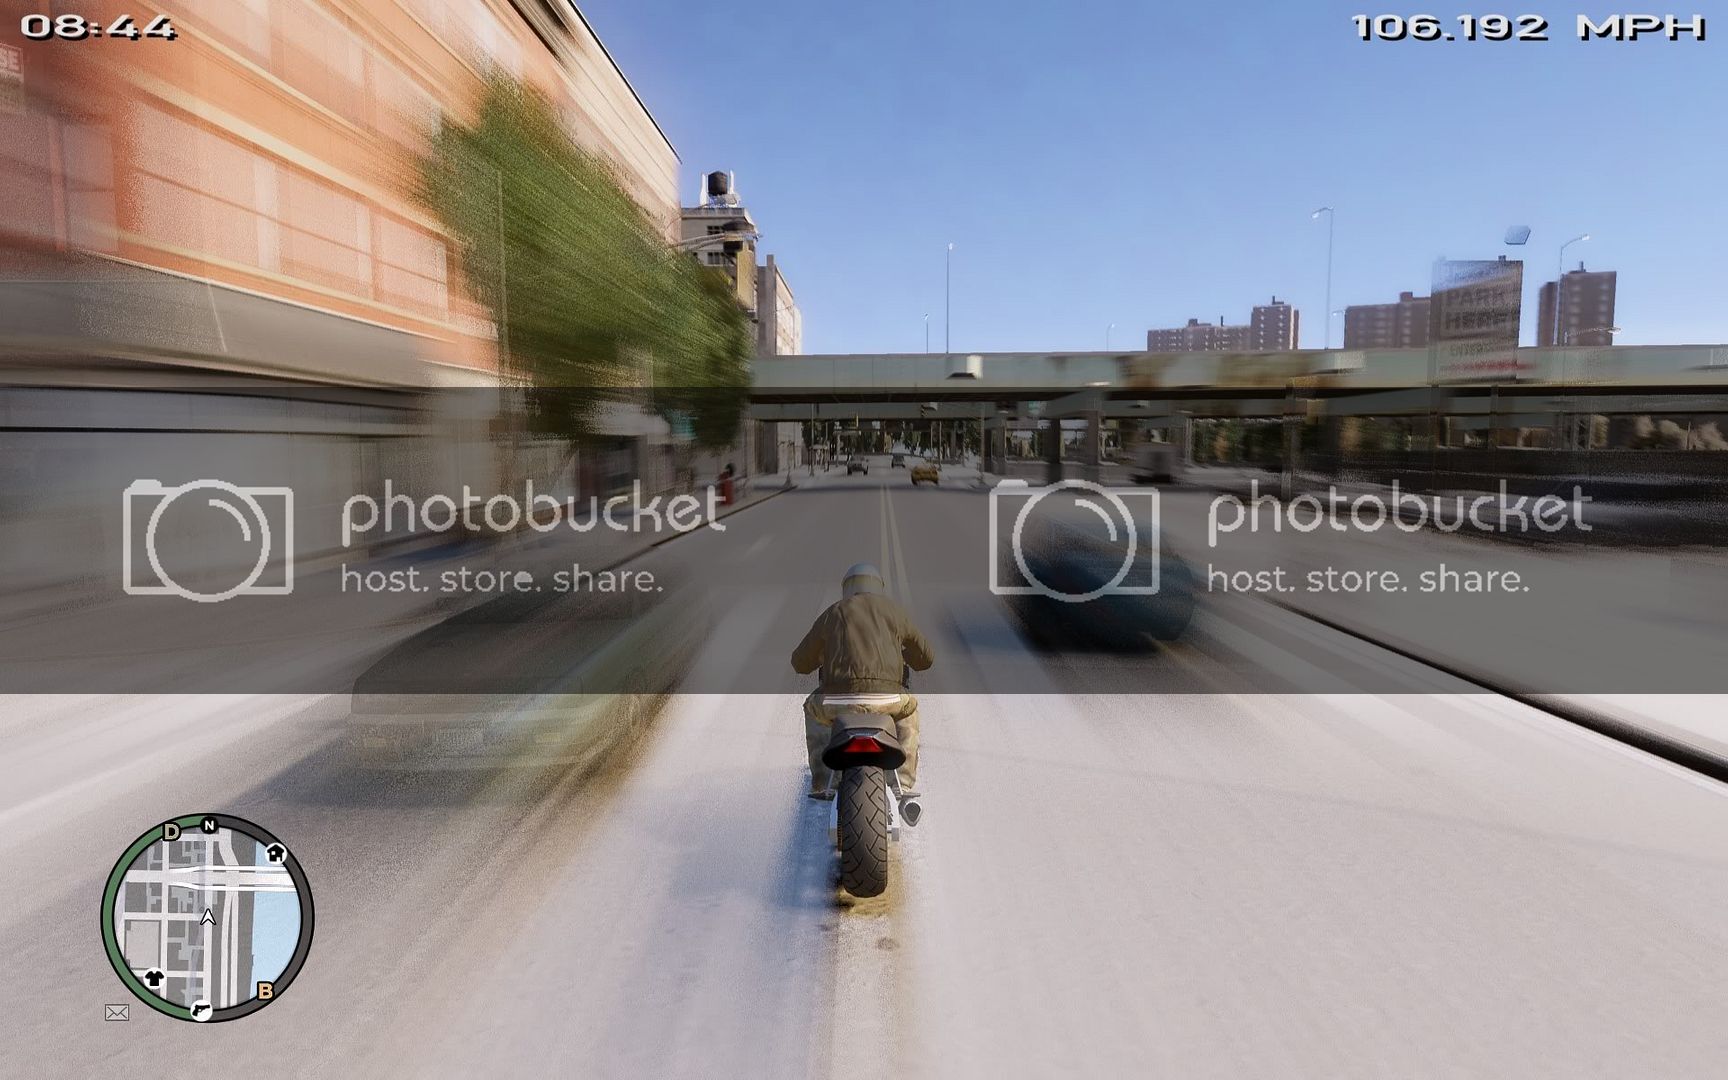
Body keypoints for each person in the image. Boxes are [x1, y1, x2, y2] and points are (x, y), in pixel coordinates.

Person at [791, 563, 934, 800]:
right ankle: (902, 783)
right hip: (888, 700)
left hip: (836, 702)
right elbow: (926, 659)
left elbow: (800, 663)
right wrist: (904, 653)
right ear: (878, 587)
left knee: (812, 708)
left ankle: (823, 782)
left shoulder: (833, 613)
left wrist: (822, 654)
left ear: (847, 588)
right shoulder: (895, 612)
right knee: (910, 709)